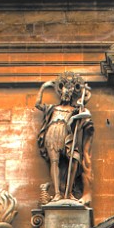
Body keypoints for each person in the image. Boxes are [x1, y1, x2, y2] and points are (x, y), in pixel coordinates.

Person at [35, 72, 94, 204]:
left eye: (70, 92)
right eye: (65, 91)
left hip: (67, 134)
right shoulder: (53, 108)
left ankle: (69, 193)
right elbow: (38, 104)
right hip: (53, 132)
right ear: (61, 92)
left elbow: (86, 111)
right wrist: (44, 87)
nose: (67, 95)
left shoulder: (75, 109)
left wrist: (85, 93)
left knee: (74, 159)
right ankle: (57, 193)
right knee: (54, 162)